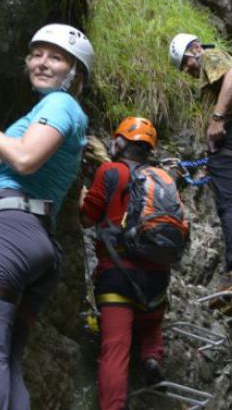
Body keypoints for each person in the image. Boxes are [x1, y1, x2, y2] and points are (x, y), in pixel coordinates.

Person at [0, 23, 93, 409]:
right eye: (37, 54)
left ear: (74, 71)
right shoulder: (47, 111)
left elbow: (25, 158)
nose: (42, 63)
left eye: (56, 57)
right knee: (5, 361)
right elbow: (11, 162)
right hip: (35, 242)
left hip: (7, 236)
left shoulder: (61, 105)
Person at [168, 33, 232, 305]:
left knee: (229, 208)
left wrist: (217, 118)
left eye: (185, 63)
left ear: (194, 49)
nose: (187, 70)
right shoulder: (212, 60)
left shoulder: (208, 54)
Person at [79, 117, 169, 409]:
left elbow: (87, 217)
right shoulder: (161, 177)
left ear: (120, 142)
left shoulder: (109, 171)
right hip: (157, 277)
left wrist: (83, 195)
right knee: (151, 319)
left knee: (115, 349)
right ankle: (152, 355)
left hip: (117, 274)